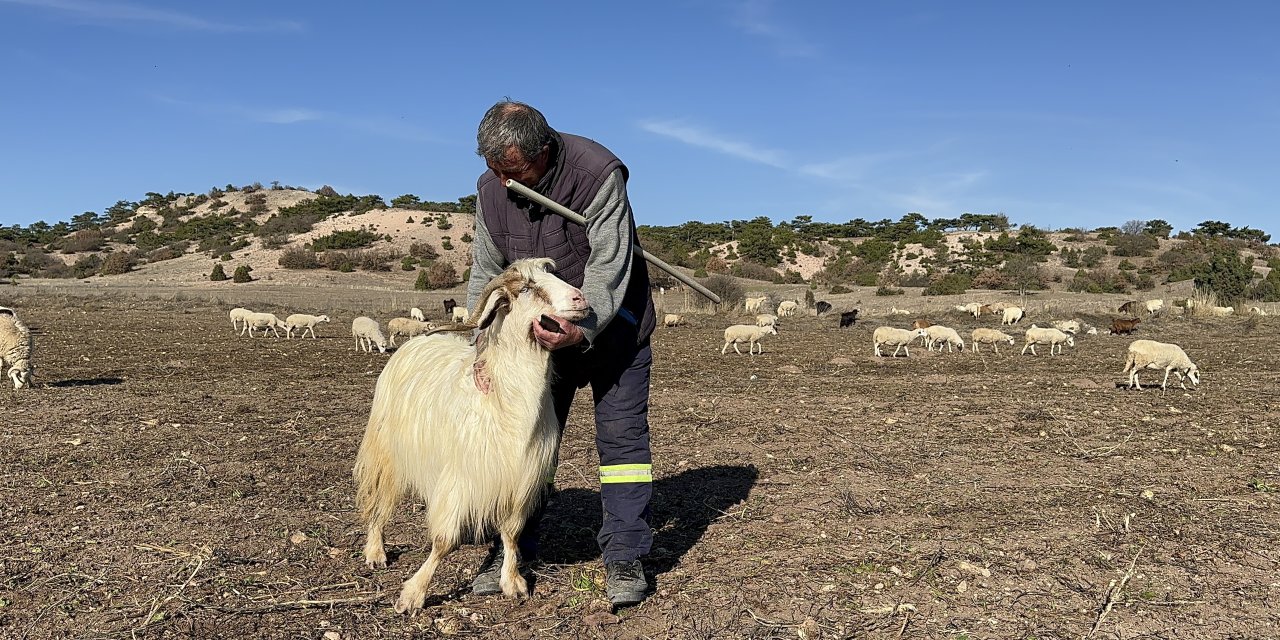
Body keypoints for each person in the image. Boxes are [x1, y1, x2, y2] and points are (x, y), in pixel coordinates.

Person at [464, 99, 657, 607]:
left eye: (514, 170)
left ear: (544, 151)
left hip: (615, 329)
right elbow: (487, 271)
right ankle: (511, 548)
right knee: (526, 442)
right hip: (540, 342)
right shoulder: (491, 190)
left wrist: (583, 330)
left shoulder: (597, 173)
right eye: (494, 169)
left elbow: (610, 264)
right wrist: (479, 347)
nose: (504, 181)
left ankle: (625, 554)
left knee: (622, 445)